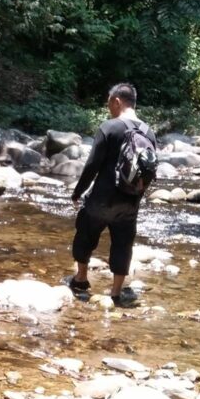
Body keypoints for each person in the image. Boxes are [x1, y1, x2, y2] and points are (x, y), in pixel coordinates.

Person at [67, 82, 156, 308]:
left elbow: (92, 165)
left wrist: (77, 192)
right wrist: (137, 197)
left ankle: (81, 278)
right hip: (129, 201)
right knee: (123, 243)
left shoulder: (110, 127)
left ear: (117, 101)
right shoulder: (148, 132)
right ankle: (116, 292)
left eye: (109, 103)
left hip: (102, 198)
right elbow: (149, 169)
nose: (108, 108)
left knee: (85, 232)